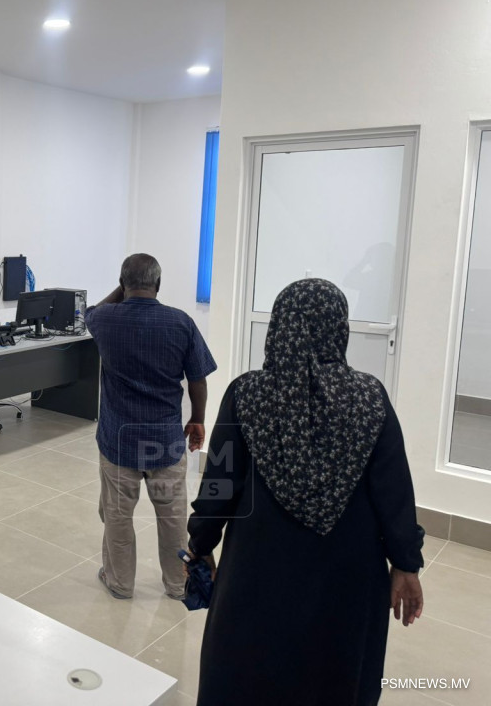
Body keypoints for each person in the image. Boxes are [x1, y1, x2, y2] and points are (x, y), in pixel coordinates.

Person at [187, 278, 424, 706]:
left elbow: (219, 485)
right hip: (348, 576)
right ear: (339, 329)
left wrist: (201, 544)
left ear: (278, 327)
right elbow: (394, 492)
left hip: (258, 571)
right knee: (337, 675)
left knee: (246, 673)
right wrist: (406, 564)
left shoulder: (247, 394)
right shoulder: (370, 397)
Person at [84, 253, 216, 600]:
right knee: (172, 520)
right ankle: (178, 584)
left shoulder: (105, 319)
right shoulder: (181, 322)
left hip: (118, 443)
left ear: (122, 283)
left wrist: (123, 288)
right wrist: (197, 419)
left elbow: (89, 313)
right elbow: (198, 379)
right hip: (166, 442)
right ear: (158, 284)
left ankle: (120, 583)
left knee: (117, 518)